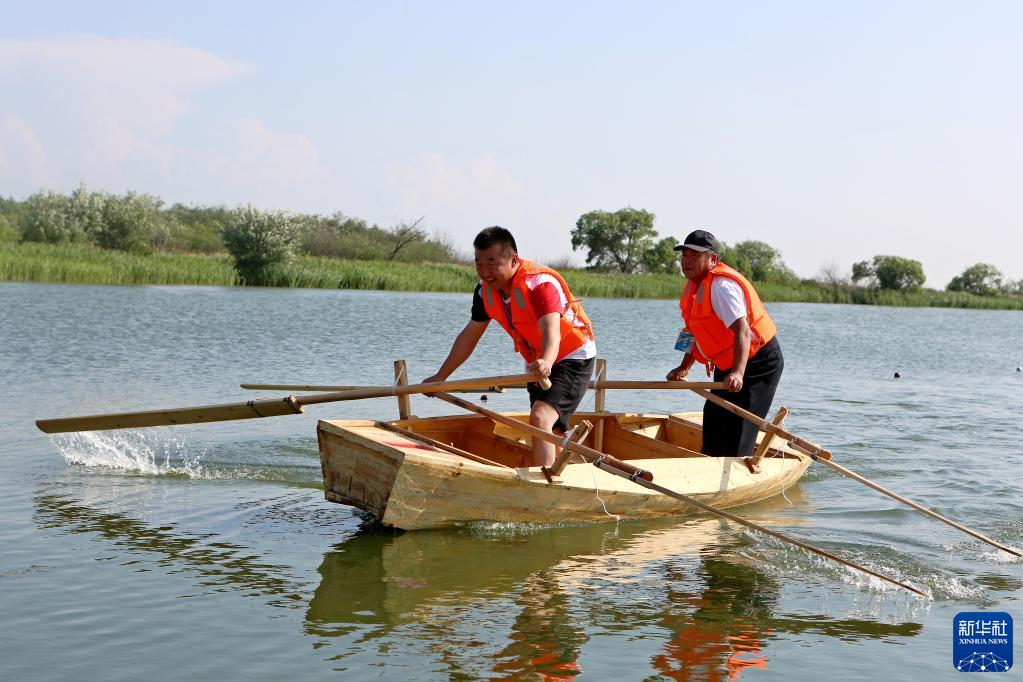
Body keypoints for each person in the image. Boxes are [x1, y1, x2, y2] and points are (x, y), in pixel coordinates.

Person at [424, 226, 596, 467]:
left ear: (513, 259)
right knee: (550, 427)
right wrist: (441, 376)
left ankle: (544, 486)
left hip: (571, 355)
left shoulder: (540, 283)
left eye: (492, 264)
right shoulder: (484, 291)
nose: (485, 272)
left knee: (541, 416)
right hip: (536, 358)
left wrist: (546, 362)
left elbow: (551, 331)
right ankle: (554, 477)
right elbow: (470, 334)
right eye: (479, 264)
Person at [665, 230, 783, 457]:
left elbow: (743, 330)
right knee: (714, 418)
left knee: (739, 424)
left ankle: (736, 469)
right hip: (728, 362)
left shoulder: (722, 288)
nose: (686, 260)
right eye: (684, 255)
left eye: (694, 255)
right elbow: (692, 331)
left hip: (757, 362)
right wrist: (684, 367)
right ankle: (709, 465)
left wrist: (738, 373)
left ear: (712, 260)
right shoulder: (692, 287)